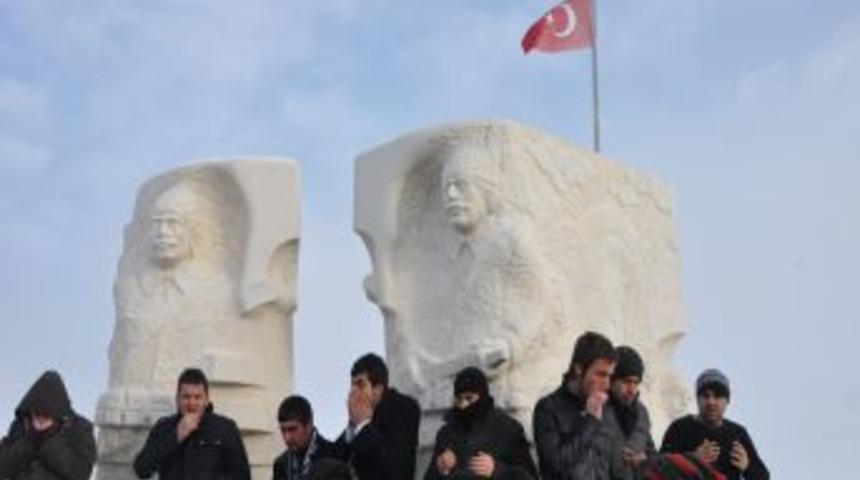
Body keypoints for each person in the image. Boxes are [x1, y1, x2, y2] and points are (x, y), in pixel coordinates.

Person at [133, 368, 250, 480]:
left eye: (197, 397)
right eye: (186, 397)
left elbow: (242, 476)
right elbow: (142, 470)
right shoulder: (164, 427)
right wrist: (176, 436)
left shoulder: (225, 428)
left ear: (206, 400)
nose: (191, 403)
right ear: (177, 399)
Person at [424, 366, 537, 480]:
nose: (463, 405)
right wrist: (440, 468)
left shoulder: (508, 429)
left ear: (482, 396)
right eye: (459, 399)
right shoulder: (446, 433)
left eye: (469, 398)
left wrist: (497, 470)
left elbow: (529, 476)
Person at [533, 331, 618, 480]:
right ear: (578, 369)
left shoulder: (607, 408)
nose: (607, 384)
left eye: (609, 376)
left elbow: (612, 466)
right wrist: (590, 422)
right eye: (601, 374)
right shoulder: (548, 408)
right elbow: (555, 466)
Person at [660, 369, 769, 480]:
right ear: (697, 399)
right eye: (705, 395)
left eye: (718, 396)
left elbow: (763, 477)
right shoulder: (680, 428)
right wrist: (692, 460)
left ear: (727, 401)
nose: (711, 402)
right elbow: (659, 469)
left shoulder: (738, 433)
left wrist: (747, 467)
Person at [335, 353, 420, 480]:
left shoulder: (405, 408)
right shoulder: (358, 421)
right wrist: (353, 426)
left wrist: (362, 425)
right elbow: (333, 461)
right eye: (352, 386)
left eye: (360, 385)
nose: (353, 392)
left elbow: (396, 468)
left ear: (378, 389)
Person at [0, 370, 96, 480]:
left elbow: (80, 474)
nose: (40, 419)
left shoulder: (78, 428)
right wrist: (30, 438)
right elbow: (3, 468)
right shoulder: (21, 425)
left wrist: (48, 438)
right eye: (36, 414)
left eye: (45, 415)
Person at [604, 346, 657, 480]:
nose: (632, 390)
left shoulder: (641, 413)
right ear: (612, 379)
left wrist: (645, 462)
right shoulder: (595, 408)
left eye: (636, 383)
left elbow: (652, 453)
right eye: (626, 382)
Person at [272, 395, 348, 480]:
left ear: (309, 425)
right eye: (283, 430)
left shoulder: (335, 455)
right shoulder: (280, 464)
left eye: (292, 429)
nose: (287, 438)